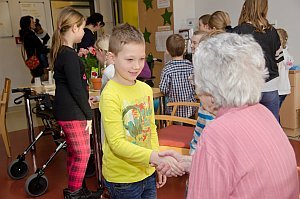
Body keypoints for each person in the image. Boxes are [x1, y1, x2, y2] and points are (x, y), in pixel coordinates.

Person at [157, 33, 299, 199]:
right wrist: (193, 163)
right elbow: (240, 169)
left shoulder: (217, 133)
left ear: (210, 89)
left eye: (196, 79)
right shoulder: (263, 113)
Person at [99, 23, 184, 199]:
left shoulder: (145, 89)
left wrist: (156, 163)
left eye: (141, 59)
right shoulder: (110, 94)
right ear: (112, 57)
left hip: (147, 171)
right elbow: (117, 144)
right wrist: (155, 158)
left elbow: (151, 129)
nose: (137, 66)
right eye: (130, 60)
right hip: (123, 179)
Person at [50, 7, 100, 198]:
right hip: (73, 112)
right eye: (81, 28)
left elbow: (76, 86)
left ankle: (78, 189)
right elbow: (77, 89)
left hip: (67, 110)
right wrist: (88, 114)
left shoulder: (62, 52)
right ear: (73, 29)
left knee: (74, 154)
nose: (84, 32)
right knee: (83, 154)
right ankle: (75, 193)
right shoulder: (69, 55)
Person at [232, 0, 284, 122]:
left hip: (248, 87)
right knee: (272, 125)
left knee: (249, 126)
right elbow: (279, 59)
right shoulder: (272, 31)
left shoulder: (238, 31)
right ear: (264, 8)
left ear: (245, 7)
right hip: (270, 85)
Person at [159, 34, 197, 118]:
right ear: (184, 50)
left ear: (167, 51)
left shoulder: (167, 69)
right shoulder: (191, 66)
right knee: (189, 130)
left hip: (174, 111)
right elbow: (196, 86)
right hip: (190, 109)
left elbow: (163, 89)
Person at [19, 15, 48, 82]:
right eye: (32, 22)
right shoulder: (30, 35)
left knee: (36, 79)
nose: (34, 23)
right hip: (39, 64)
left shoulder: (25, 35)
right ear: (28, 24)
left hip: (33, 63)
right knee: (41, 81)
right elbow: (40, 50)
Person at [276, 28, 294, 108]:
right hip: (284, 88)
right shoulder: (286, 52)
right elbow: (289, 64)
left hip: (279, 88)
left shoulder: (281, 53)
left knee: (274, 112)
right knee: (275, 111)